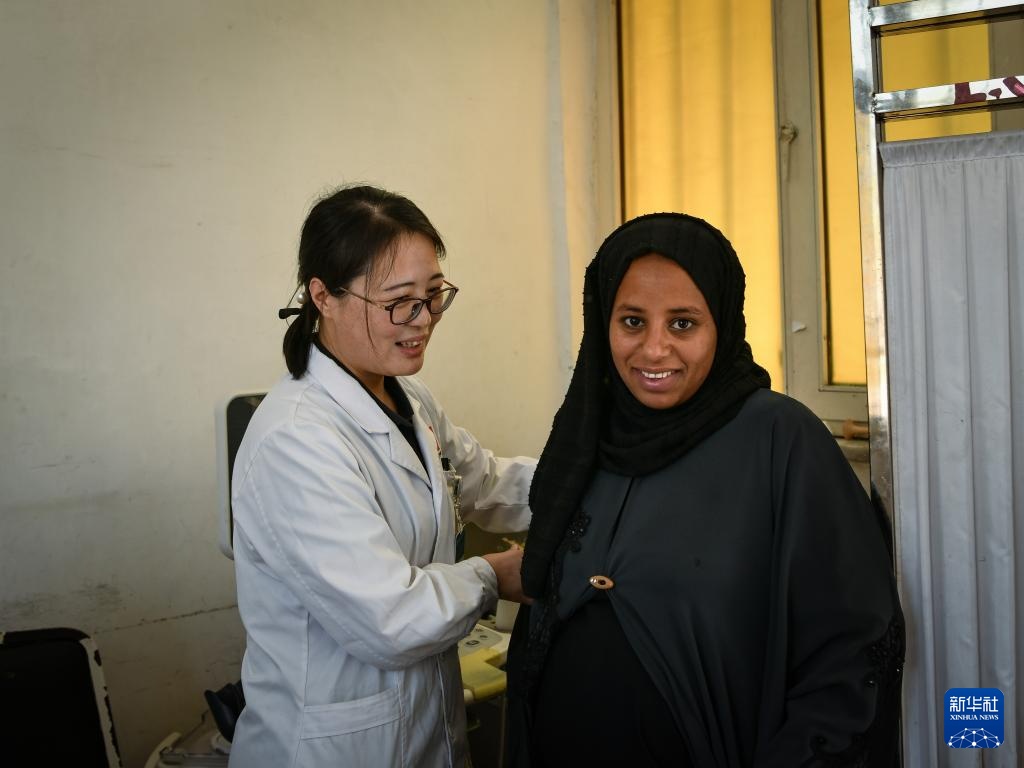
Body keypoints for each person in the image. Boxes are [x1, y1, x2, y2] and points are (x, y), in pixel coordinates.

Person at [506, 213, 904, 767]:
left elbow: (853, 645)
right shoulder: (587, 435)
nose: (654, 349)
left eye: (683, 324)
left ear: (722, 323)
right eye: (632, 321)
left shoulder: (780, 440)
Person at [229, 185, 535, 768]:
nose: (423, 320)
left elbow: (484, 481)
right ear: (324, 296)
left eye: (434, 295)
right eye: (400, 303)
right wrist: (494, 575)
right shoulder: (295, 440)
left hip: (422, 729)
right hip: (333, 749)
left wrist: (592, 481)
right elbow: (391, 619)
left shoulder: (408, 397)